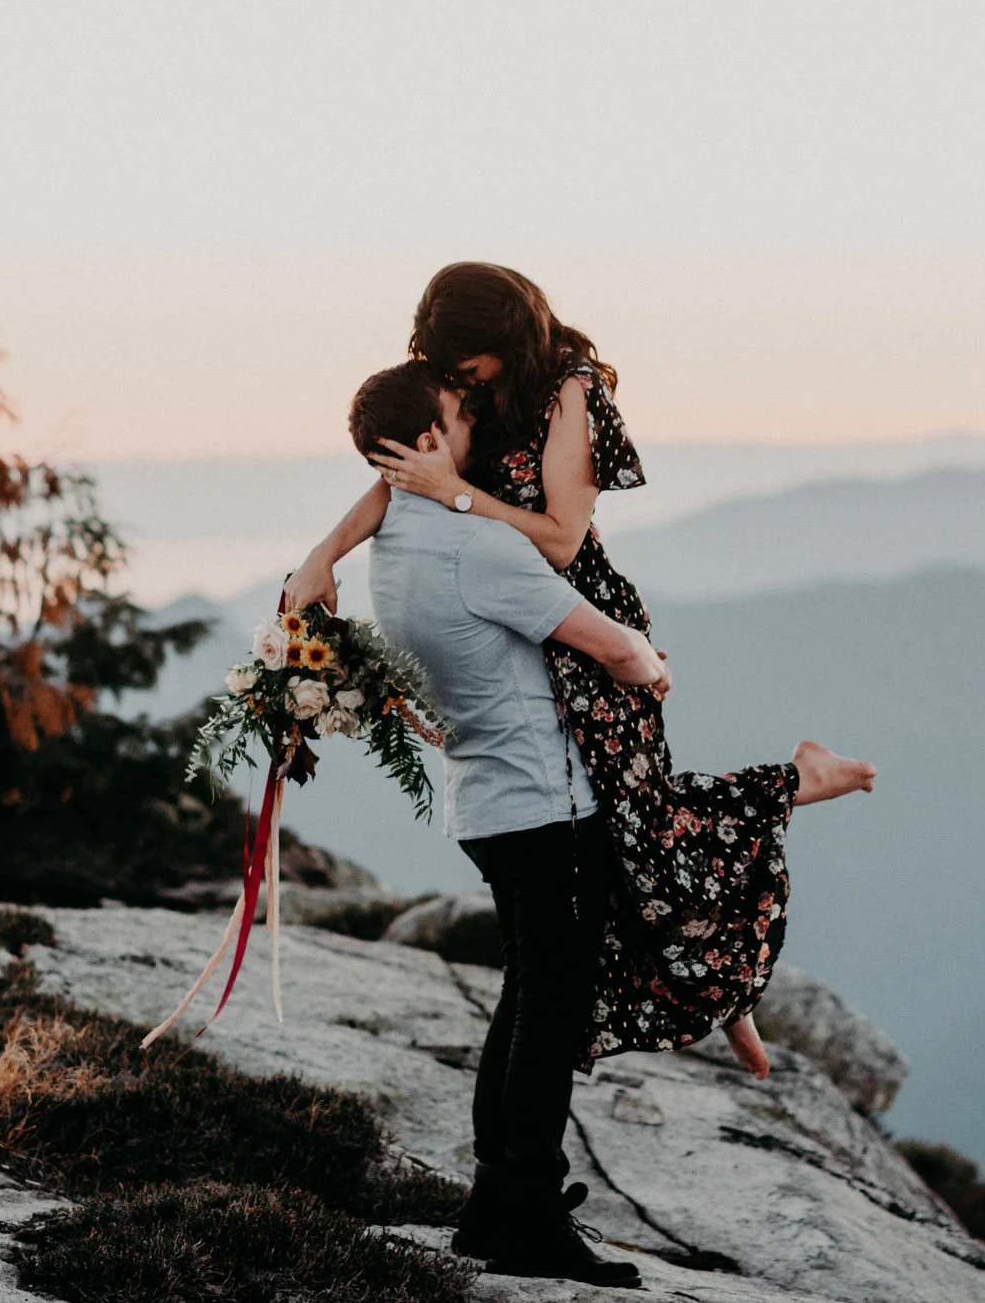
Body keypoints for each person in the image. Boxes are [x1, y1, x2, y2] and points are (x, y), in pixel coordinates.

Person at [291, 262, 875, 1082]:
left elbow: (562, 538)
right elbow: (400, 476)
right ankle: (728, 992)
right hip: (514, 616)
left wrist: (458, 496)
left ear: (503, 340)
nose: (461, 380)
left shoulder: (570, 391)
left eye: (468, 365)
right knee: (631, 839)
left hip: (572, 614)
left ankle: (737, 968)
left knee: (643, 825)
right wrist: (323, 554)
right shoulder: (470, 391)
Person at [350, 361, 657, 1286]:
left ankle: (496, 1208)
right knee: (547, 1016)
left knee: (526, 1002)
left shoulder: (392, 551)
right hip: (547, 804)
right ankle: (526, 1210)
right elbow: (613, 646)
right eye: (458, 413)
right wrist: (653, 665)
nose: (475, 422)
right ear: (428, 442)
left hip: (485, 804)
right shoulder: (473, 546)